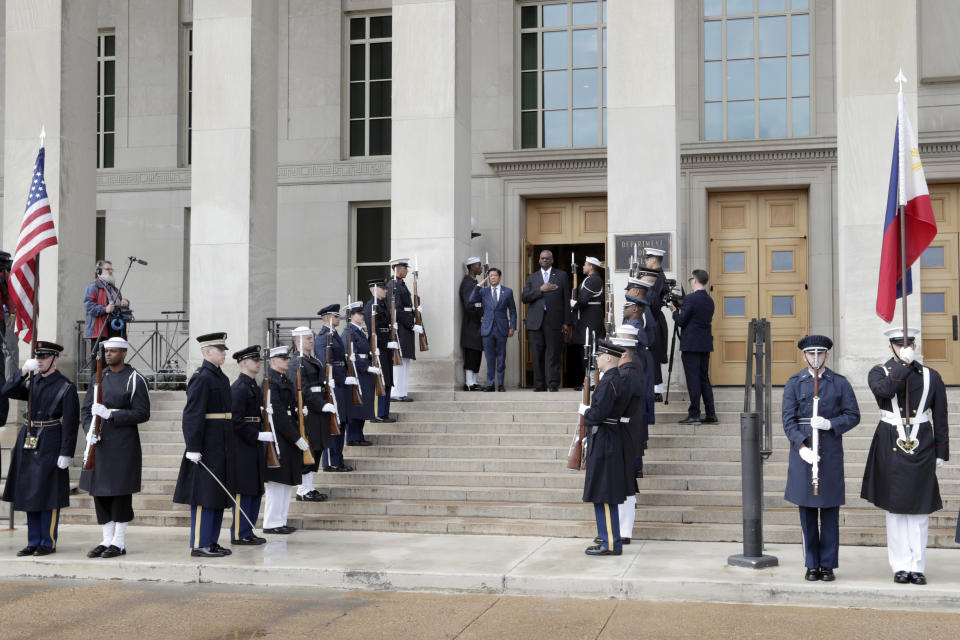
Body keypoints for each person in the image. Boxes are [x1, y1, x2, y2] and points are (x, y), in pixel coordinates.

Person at [862, 327, 948, 585]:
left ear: (916, 345)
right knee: (896, 509)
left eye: (909, 344)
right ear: (891, 347)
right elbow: (886, 391)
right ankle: (900, 565)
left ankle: (917, 566)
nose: (904, 347)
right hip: (890, 439)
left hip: (921, 441)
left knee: (920, 510)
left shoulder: (932, 376)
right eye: (899, 344)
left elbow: (940, 417)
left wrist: (941, 450)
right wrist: (904, 364)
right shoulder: (880, 372)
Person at [782, 335, 860, 582]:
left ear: (827, 355)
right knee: (806, 512)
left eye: (820, 353)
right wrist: (800, 445)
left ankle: (827, 564)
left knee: (829, 513)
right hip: (804, 452)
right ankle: (811, 563)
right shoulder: (794, 383)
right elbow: (788, 420)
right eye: (811, 354)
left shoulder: (839, 383)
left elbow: (853, 415)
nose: (815, 358)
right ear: (804, 355)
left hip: (829, 450)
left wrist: (830, 423)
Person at [1, 341, 79, 556]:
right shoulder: (32, 382)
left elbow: (71, 424)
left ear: (55, 359)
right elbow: (6, 390)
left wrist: (66, 452)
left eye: (45, 357)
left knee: (48, 493)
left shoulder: (66, 387)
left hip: (51, 439)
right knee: (30, 492)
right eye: (39, 357)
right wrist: (24, 371)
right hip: (29, 438)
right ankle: (33, 540)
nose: (41, 360)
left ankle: (47, 541)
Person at [80, 337, 151, 558]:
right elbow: (85, 410)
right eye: (107, 351)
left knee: (120, 494)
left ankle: (119, 542)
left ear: (124, 353)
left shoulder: (134, 379)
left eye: (113, 351)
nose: (108, 355)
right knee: (100, 493)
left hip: (122, 444)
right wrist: (89, 432)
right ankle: (106, 540)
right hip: (99, 444)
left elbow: (142, 413)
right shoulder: (98, 377)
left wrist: (112, 414)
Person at [172, 332, 236, 558]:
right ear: (208, 352)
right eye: (220, 350)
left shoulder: (220, 377)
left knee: (217, 494)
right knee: (203, 495)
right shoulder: (202, 377)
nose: (224, 353)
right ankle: (200, 543)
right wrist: (193, 446)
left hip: (222, 442)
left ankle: (212, 540)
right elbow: (192, 414)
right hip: (207, 443)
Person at [578, 339, 631, 556]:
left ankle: (611, 544)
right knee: (601, 493)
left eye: (599, 356)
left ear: (608, 357)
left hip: (606, 441)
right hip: (605, 439)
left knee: (605, 494)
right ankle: (606, 538)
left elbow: (599, 414)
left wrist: (585, 411)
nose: (597, 359)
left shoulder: (610, 381)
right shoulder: (612, 379)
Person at [263, 345, 309, 534]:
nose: (287, 361)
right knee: (277, 483)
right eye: (283, 358)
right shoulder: (271, 383)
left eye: (287, 358)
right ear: (273, 361)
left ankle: (279, 521)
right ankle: (271, 523)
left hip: (288, 437)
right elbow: (279, 415)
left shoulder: (283, 379)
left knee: (286, 482)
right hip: (280, 438)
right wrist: (295, 437)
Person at [228, 345, 269, 546]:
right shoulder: (238, 388)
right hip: (243, 446)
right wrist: (257, 435)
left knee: (255, 488)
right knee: (244, 490)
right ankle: (239, 532)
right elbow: (235, 421)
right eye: (255, 360)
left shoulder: (254, 386)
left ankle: (248, 530)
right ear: (244, 363)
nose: (258, 363)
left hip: (253, 444)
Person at [607, 331, 646, 545]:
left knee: (625, 484)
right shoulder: (630, 369)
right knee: (625, 482)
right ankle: (621, 529)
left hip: (625, 432)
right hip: (627, 431)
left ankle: (624, 531)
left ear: (622, 354)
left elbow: (617, 405)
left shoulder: (628, 373)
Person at [290, 325, 336, 498]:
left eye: (311, 338)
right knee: (309, 449)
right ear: (298, 341)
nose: (312, 341)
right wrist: (321, 404)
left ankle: (309, 487)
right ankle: (303, 489)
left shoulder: (314, 360)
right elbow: (303, 390)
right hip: (309, 411)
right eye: (308, 338)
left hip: (319, 411)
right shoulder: (297, 362)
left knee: (317, 449)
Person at [668, 269, 716, 425]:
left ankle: (694, 414)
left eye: (690, 280)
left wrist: (675, 311)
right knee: (704, 379)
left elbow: (681, 321)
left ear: (694, 280)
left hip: (691, 345)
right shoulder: (709, 300)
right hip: (705, 344)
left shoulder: (690, 299)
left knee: (693, 380)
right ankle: (711, 414)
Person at [521, 249, 572, 392]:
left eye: (547, 258)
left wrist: (566, 322)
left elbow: (566, 300)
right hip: (535, 322)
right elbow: (524, 298)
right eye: (542, 258)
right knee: (537, 355)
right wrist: (541, 289)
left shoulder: (561, 276)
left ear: (552, 260)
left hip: (554, 321)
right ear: (538, 260)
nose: (545, 261)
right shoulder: (532, 277)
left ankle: (553, 383)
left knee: (554, 354)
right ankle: (539, 384)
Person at [315, 305, 353, 473]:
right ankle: (330, 461)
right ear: (327, 317)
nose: (339, 319)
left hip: (341, 383)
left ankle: (338, 459)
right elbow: (326, 364)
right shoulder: (324, 337)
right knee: (334, 423)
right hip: (334, 384)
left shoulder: (334, 335)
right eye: (336, 316)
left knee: (341, 422)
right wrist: (342, 377)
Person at [469, 268, 518, 392]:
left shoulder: (507, 292)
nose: (493, 278)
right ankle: (490, 384)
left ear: (499, 277)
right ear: (488, 278)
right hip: (487, 329)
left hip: (502, 329)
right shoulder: (483, 292)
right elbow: (471, 299)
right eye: (490, 276)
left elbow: (512, 311)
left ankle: (501, 384)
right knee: (490, 358)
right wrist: (478, 285)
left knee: (501, 358)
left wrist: (512, 327)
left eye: (495, 275)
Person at [386, 258, 422, 402]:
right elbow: (397, 310)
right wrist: (411, 324)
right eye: (404, 267)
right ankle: (395, 392)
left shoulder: (400, 284)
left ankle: (402, 391)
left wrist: (415, 311)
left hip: (405, 327)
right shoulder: (393, 285)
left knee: (405, 360)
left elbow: (405, 307)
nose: (406, 270)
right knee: (398, 360)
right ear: (397, 269)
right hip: (400, 327)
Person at [344, 301, 379, 446]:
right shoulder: (349, 332)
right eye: (359, 314)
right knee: (357, 407)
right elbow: (351, 355)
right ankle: (353, 437)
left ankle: (359, 436)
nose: (362, 316)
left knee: (364, 405)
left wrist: (372, 355)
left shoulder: (359, 330)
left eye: (362, 314)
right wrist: (366, 367)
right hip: (358, 372)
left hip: (364, 373)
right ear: (351, 316)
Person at [569, 257, 605, 389]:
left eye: (585, 265)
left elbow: (583, 300)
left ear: (591, 267)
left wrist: (574, 303)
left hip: (591, 319)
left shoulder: (593, 280)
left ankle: (591, 382)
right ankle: (588, 381)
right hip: (587, 319)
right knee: (587, 350)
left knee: (590, 350)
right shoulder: (590, 279)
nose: (583, 267)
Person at [364, 279, 396, 423]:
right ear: (375, 289)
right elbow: (373, 332)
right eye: (383, 289)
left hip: (386, 347)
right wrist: (385, 344)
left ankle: (384, 412)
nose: (386, 291)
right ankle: (378, 413)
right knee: (381, 380)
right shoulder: (371, 306)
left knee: (387, 380)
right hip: (379, 349)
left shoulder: (381, 305)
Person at [83, 260, 131, 349]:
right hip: (101, 327)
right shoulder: (93, 287)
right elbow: (89, 306)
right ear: (99, 271)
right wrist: (105, 309)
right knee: (100, 358)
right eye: (107, 269)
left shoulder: (114, 289)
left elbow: (119, 303)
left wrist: (125, 301)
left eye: (111, 269)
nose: (110, 271)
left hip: (116, 327)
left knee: (115, 356)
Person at [643, 248, 670, 400]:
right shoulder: (657, 275)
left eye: (648, 258)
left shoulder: (657, 276)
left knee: (652, 356)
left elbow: (653, 301)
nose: (646, 261)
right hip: (653, 319)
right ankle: (654, 389)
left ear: (654, 260)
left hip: (653, 320)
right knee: (651, 356)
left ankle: (656, 391)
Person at [460, 257, 484, 391]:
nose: (480, 268)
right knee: (471, 353)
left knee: (477, 353)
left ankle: (474, 382)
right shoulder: (468, 283)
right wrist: (479, 317)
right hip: (471, 324)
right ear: (472, 267)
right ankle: (469, 383)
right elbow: (469, 305)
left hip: (476, 324)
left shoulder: (474, 282)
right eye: (479, 265)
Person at [0, 251, 19, 381]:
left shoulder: (4, 274)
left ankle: (10, 382)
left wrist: (12, 313)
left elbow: (9, 295)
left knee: (10, 350)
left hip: (5, 318)